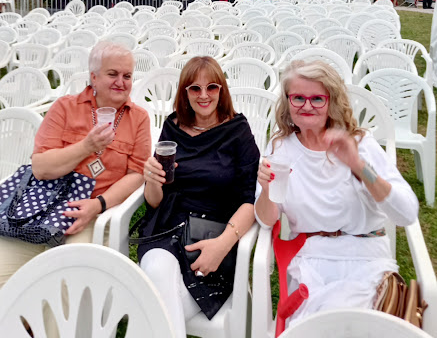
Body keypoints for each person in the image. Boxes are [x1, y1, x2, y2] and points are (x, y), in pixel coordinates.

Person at [255, 60, 418, 324]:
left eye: (317, 99)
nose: (307, 106)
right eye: (298, 98)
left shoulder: (359, 144)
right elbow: (266, 220)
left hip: (367, 258)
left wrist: (358, 166)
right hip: (310, 261)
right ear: (287, 101)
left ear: (332, 102)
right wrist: (266, 190)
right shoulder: (280, 149)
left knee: (345, 323)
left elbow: (406, 213)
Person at [0, 41, 151, 288]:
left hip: (92, 213)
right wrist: (86, 146)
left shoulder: (138, 118)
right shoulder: (65, 107)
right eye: (112, 74)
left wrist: (98, 204)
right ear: (94, 77)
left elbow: (136, 174)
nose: (121, 82)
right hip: (43, 205)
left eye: (127, 76)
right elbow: (41, 168)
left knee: (68, 280)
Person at [139, 56, 259, 337]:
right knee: (156, 269)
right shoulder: (172, 128)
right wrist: (152, 180)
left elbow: (249, 200)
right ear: (185, 93)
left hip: (212, 236)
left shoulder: (237, 132)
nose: (204, 95)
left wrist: (222, 245)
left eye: (211, 87)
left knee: (152, 308)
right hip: (168, 229)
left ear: (221, 90)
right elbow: (155, 201)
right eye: (195, 88)